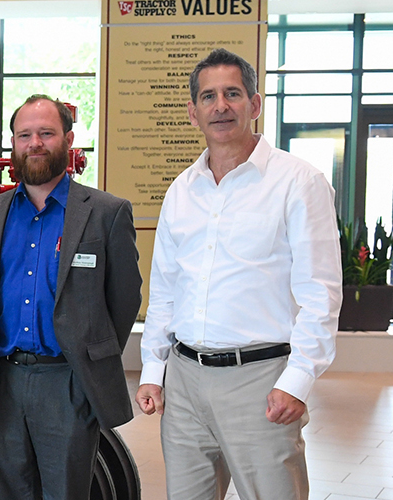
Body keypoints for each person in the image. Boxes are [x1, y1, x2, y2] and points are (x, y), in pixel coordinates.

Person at [136, 48, 341, 500]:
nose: (220, 106)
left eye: (232, 93)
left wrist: (297, 381)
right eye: (208, 97)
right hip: (185, 383)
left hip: (261, 381)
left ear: (255, 103)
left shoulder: (298, 182)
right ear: (193, 112)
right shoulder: (182, 190)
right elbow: (166, 291)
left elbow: (320, 294)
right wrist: (154, 368)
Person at [0, 95, 142, 500]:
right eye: (24, 134)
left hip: (66, 381)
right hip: (2, 383)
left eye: (46, 133)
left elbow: (124, 300)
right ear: (12, 143)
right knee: (5, 492)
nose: (35, 143)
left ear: (67, 139)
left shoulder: (106, 212)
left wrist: (87, 362)